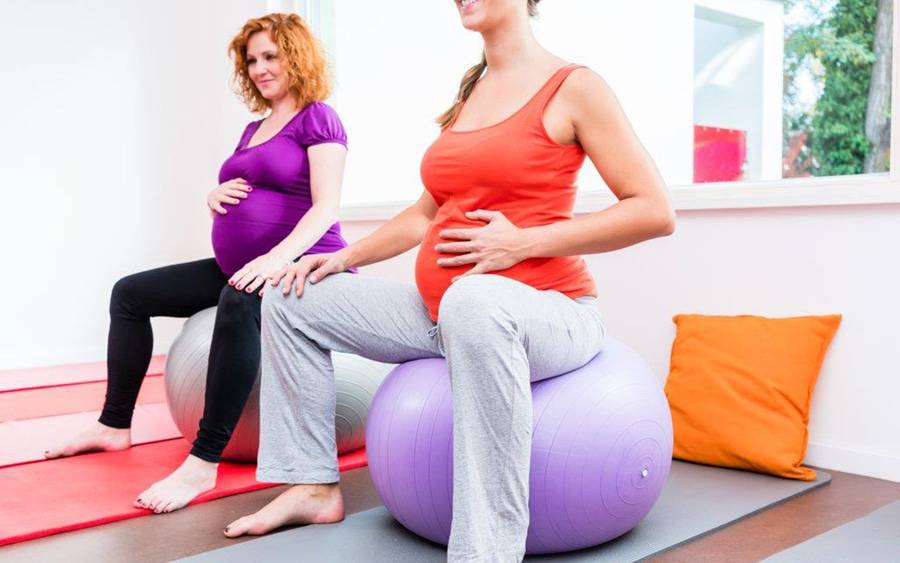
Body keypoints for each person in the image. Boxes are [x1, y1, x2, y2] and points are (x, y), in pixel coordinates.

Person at [225, 1, 674, 561]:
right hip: (443, 316)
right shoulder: (472, 93)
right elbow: (423, 215)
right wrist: (340, 259)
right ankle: (312, 485)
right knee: (292, 298)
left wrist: (526, 241)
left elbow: (654, 210)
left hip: (549, 312)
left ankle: (485, 553)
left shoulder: (574, 87)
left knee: (474, 301)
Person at [44, 12, 351, 515]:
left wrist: (276, 259)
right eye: (251, 60)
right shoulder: (254, 127)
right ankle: (113, 424)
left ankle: (203, 460)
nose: (260, 68)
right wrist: (215, 195)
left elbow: (326, 208)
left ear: (296, 56)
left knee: (236, 299)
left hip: (299, 268)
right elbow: (252, 186)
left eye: (271, 56)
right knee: (129, 294)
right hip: (241, 266)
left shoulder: (319, 117)